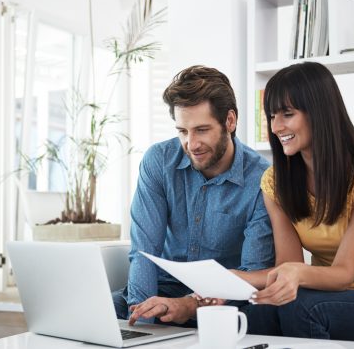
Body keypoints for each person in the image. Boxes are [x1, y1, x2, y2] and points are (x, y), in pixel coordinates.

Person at [229, 61, 354, 341]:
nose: (276, 127)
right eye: (272, 116)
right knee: (256, 310)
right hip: (329, 295)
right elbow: (288, 265)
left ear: (320, 113)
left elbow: (343, 274)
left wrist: (292, 276)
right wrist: (234, 279)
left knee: (301, 309)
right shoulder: (275, 181)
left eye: (287, 114)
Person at [112, 65, 274, 327]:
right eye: (182, 131)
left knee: (259, 316)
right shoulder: (159, 161)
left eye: (201, 129)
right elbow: (144, 252)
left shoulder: (262, 180)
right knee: (95, 315)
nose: (191, 144)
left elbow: (251, 273)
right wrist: (142, 322)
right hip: (159, 292)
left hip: (222, 302)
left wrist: (188, 305)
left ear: (230, 121)